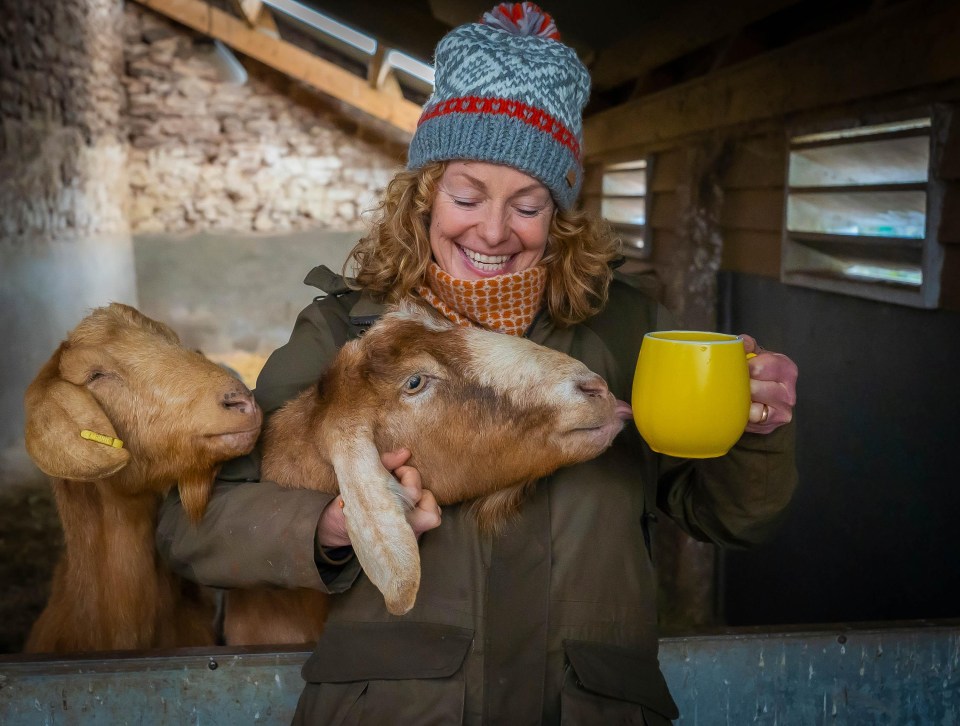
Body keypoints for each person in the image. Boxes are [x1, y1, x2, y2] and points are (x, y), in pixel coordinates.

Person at [156, 3, 799, 723]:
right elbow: (193, 525)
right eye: (467, 196)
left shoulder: (623, 329)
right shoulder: (345, 332)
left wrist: (755, 430)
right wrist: (327, 527)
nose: (493, 231)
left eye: (528, 205)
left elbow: (731, 519)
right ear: (426, 193)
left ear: (560, 212)